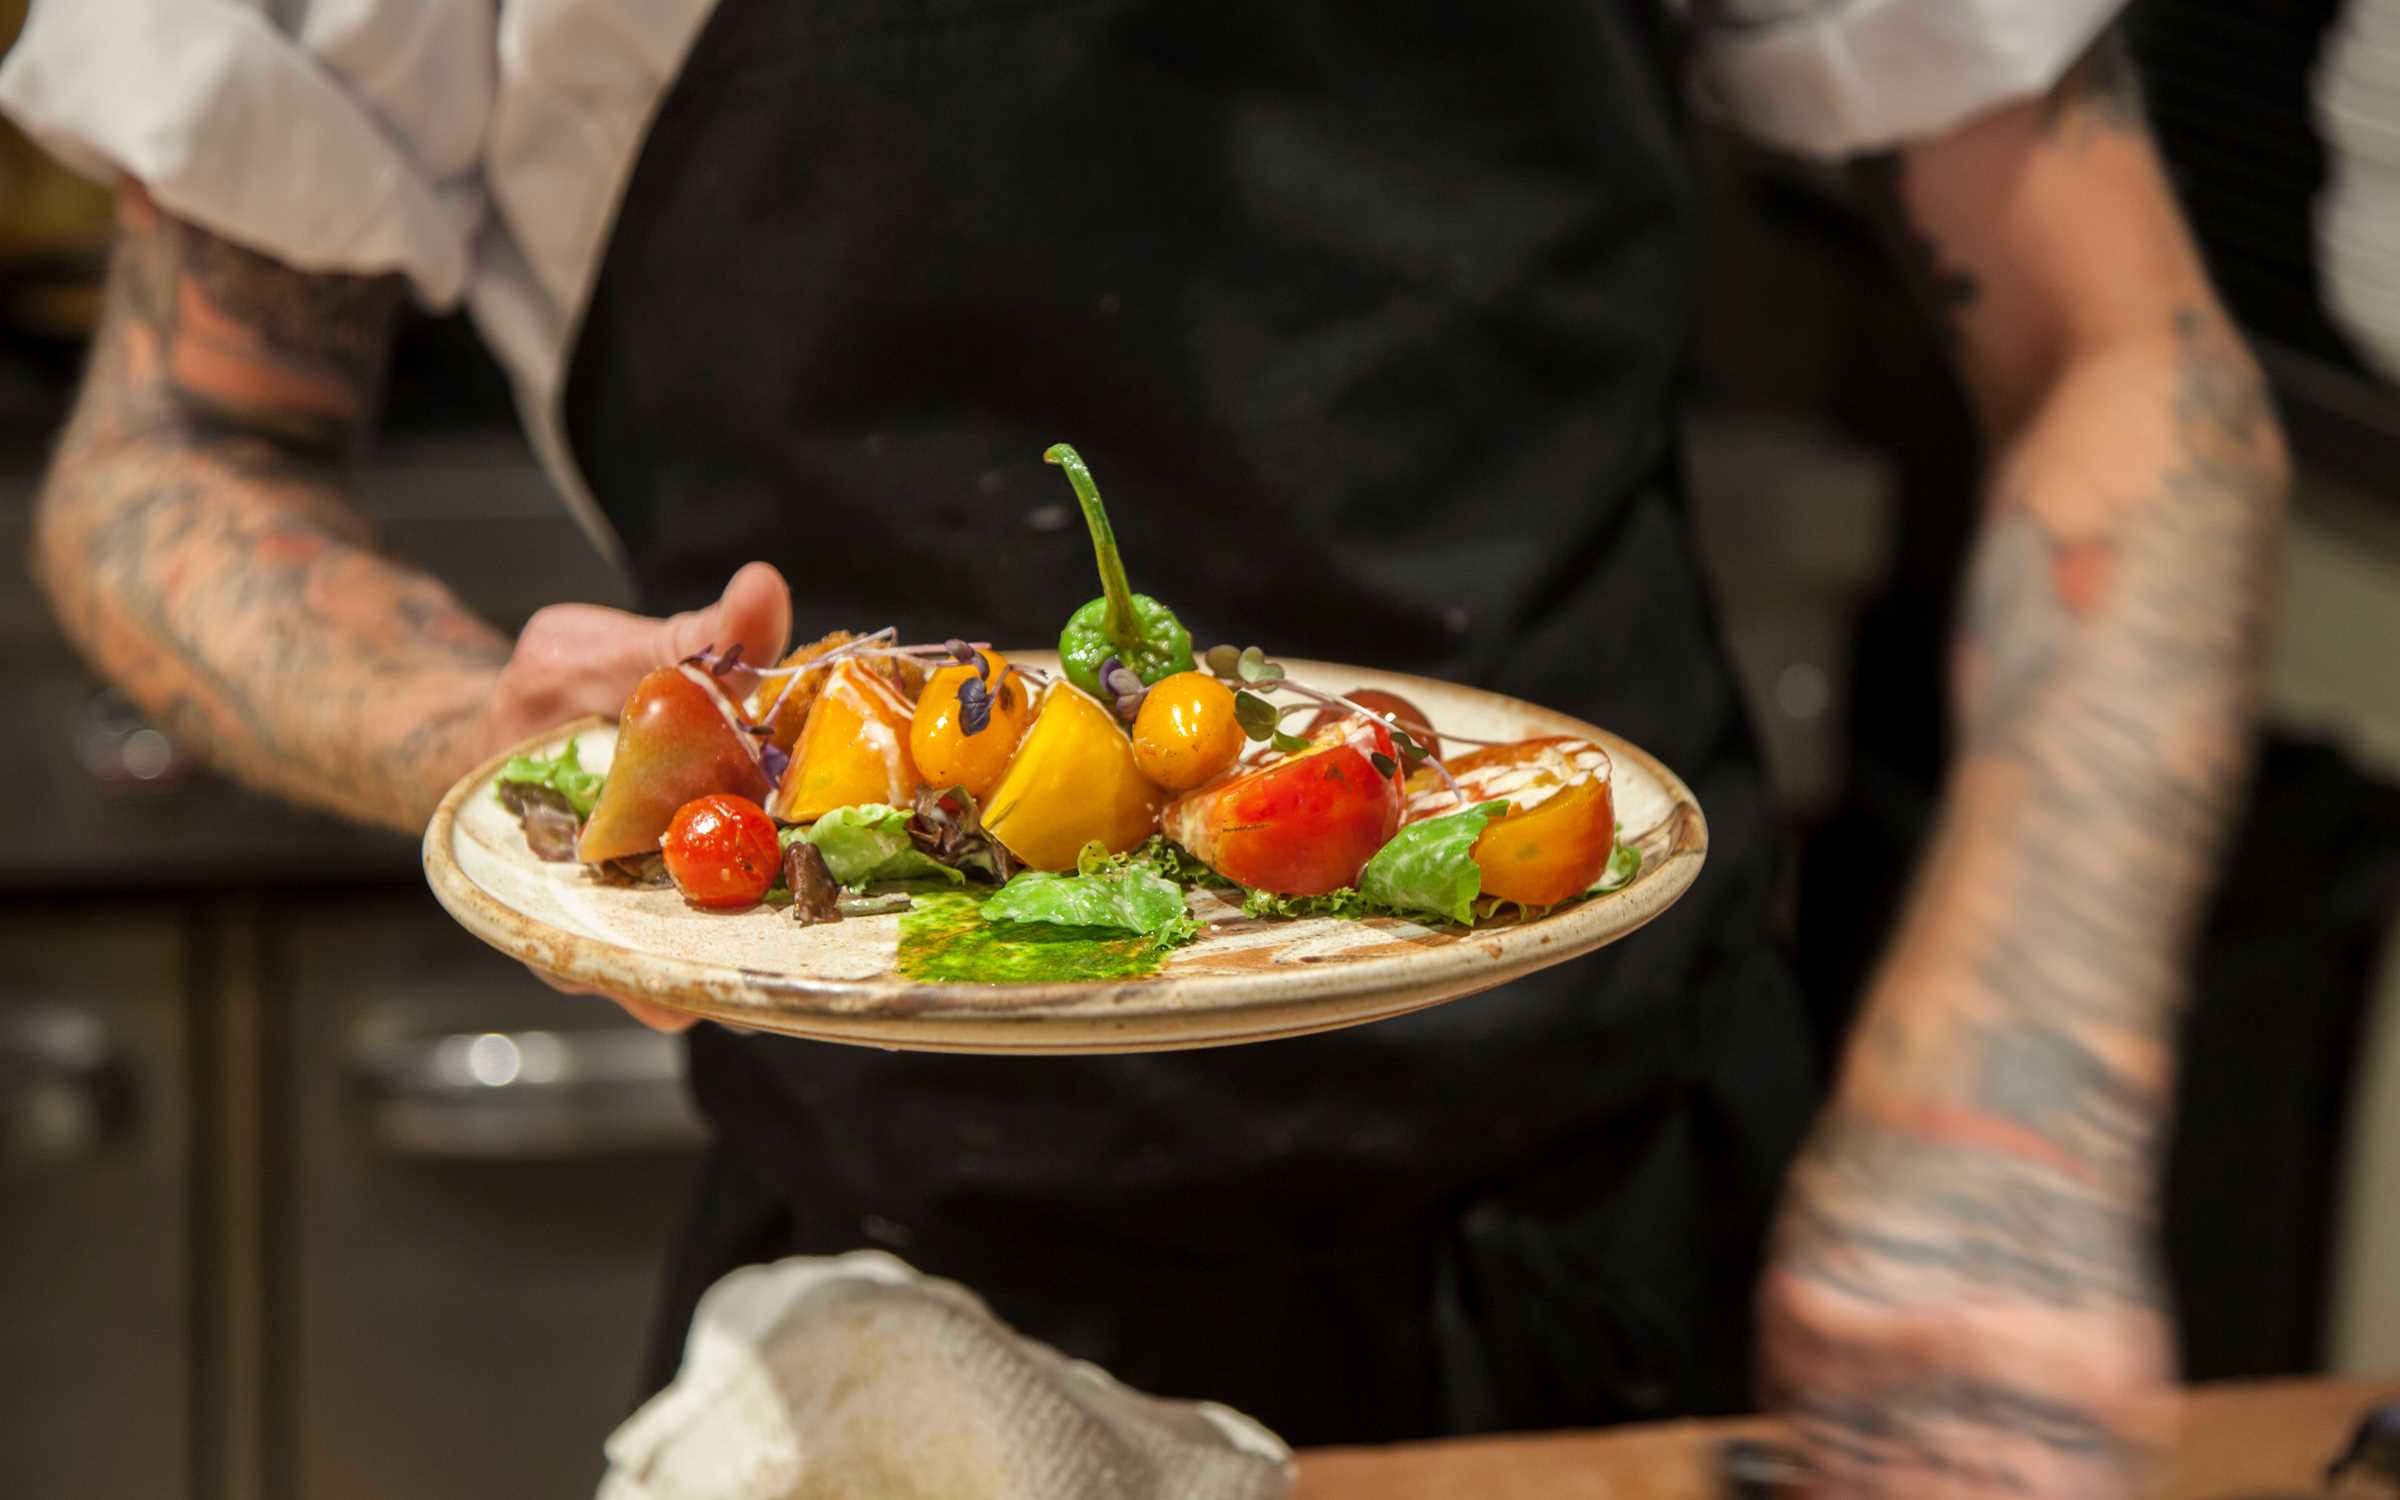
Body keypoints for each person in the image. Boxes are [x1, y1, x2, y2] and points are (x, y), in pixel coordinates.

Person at [2, 1, 2286, 1493]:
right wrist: (485, 744)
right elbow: (168, 453)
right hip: (904, 1307)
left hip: (1645, 1233)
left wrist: (2010, 1103)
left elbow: (2134, 376)